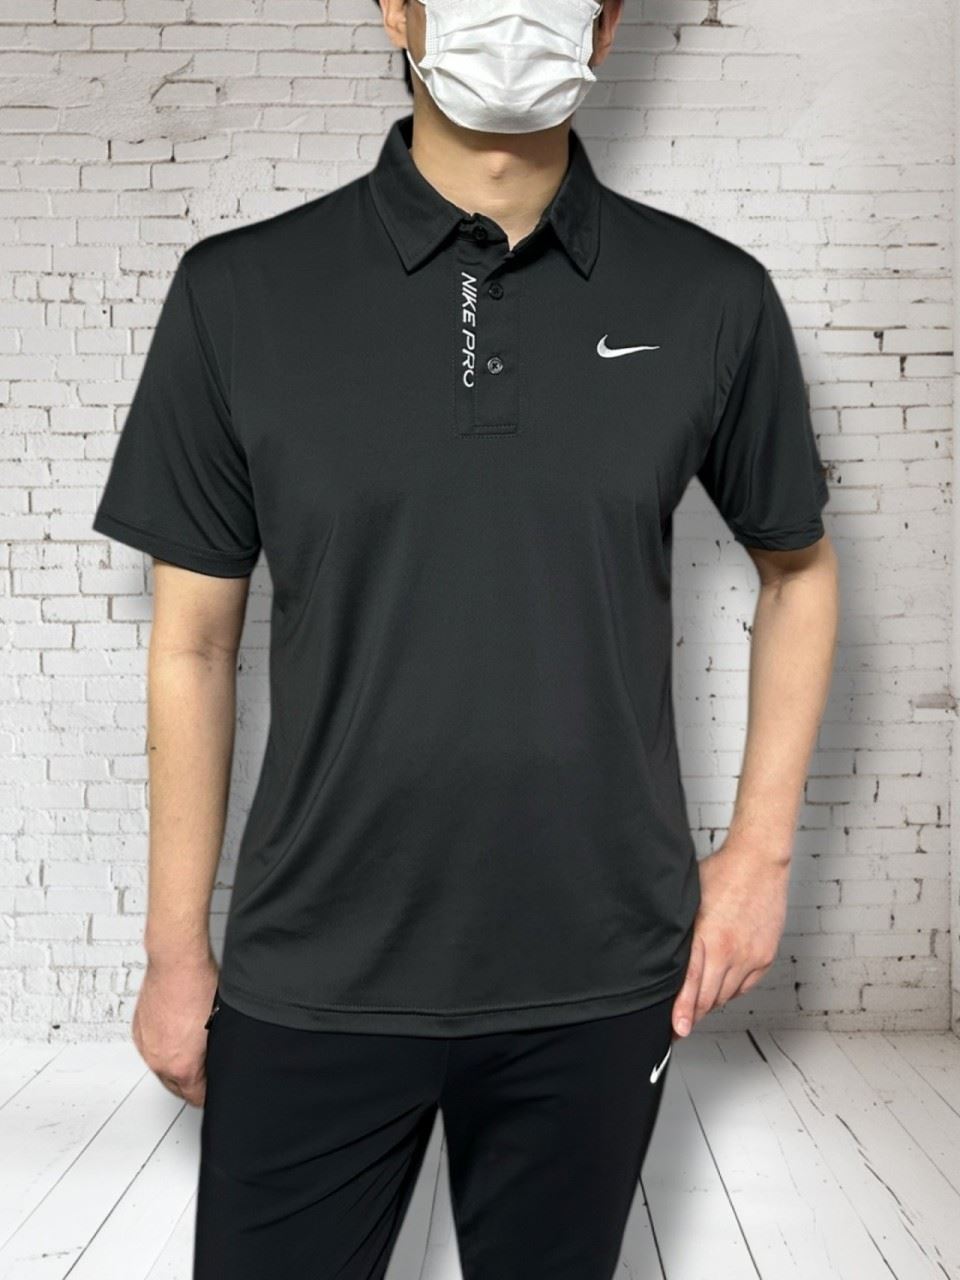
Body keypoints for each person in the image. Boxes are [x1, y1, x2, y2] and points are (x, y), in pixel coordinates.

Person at [91, 0, 839, 1275]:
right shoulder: (240, 292)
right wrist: (174, 951)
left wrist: (762, 855)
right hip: (314, 967)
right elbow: (193, 645)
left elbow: (799, 568)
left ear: (607, 25)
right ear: (397, 7)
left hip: (601, 968)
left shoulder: (711, 295)